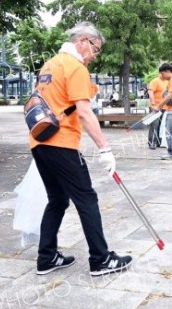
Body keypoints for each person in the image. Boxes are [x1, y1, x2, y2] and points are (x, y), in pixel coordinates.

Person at [28, 22, 132, 276]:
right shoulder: (75, 66)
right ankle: (101, 259)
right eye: (95, 49)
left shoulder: (50, 64)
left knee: (58, 199)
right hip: (61, 143)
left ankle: (47, 257)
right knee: (86, 198)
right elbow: (84, 111)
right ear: (83, 41)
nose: (95, 56)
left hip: (39, 142)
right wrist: (105, 149)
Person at [147, 71, 165, 149]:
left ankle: (158, 142)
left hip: (164, 107)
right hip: (155, 107)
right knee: (154, 125)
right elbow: (150, 92)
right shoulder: (155, 81)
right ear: (160, 73)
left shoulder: (167, 82)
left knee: (161, 125)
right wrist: (153, 104)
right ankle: (152, 142)